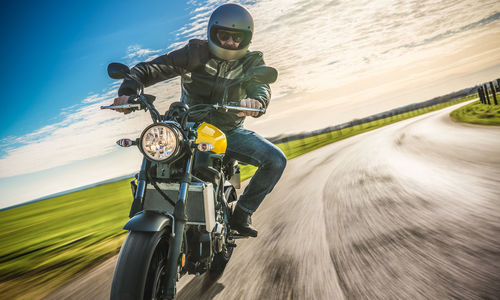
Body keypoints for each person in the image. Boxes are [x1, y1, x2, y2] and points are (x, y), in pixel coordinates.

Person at [112, 3, 286, 237]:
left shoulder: (251, 62)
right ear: (213, 33)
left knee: (276, 160)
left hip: (228, 133)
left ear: (247, 39)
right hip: (187, 128)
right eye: (224, 35)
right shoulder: (195, 53)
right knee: (154, 155)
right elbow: (152, 68)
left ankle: (243, 213)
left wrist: (257, 102)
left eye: (237, 37)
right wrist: (129, 91)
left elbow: (261, 87)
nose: (230, 43)